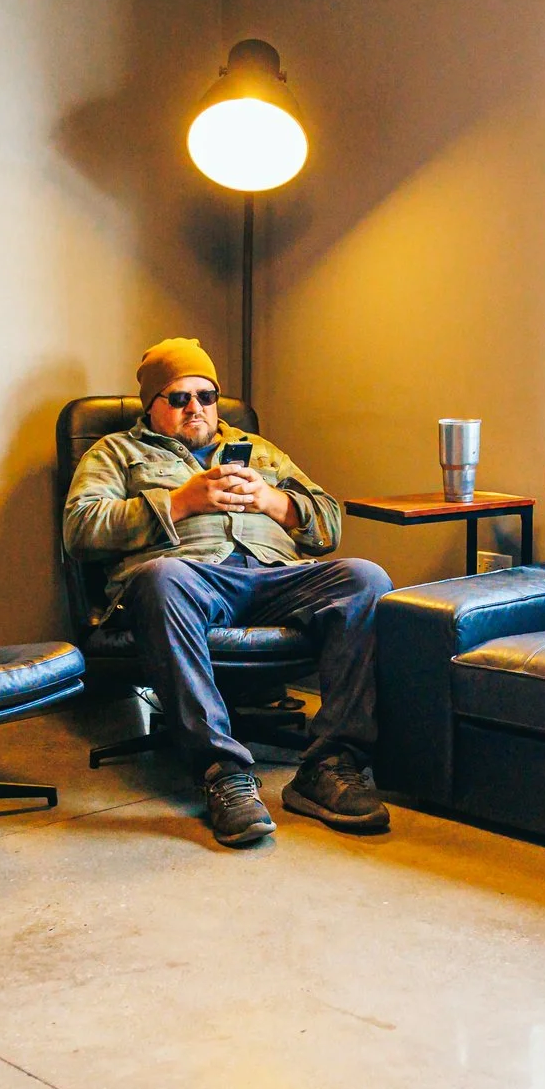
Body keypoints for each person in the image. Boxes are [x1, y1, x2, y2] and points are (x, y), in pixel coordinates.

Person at [64, 338, 394, 848]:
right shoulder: (116, 452)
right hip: (189, 580)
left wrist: (273, 500)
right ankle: (223, 771)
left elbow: (328, 524)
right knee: (161, 577)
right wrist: (178, 502)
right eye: (178, 398)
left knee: (364, 579)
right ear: (151, 406)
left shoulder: (256, 449)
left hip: (274, 576)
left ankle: (330, 765)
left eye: (206, 395)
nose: (196, 408)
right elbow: (81, 529)